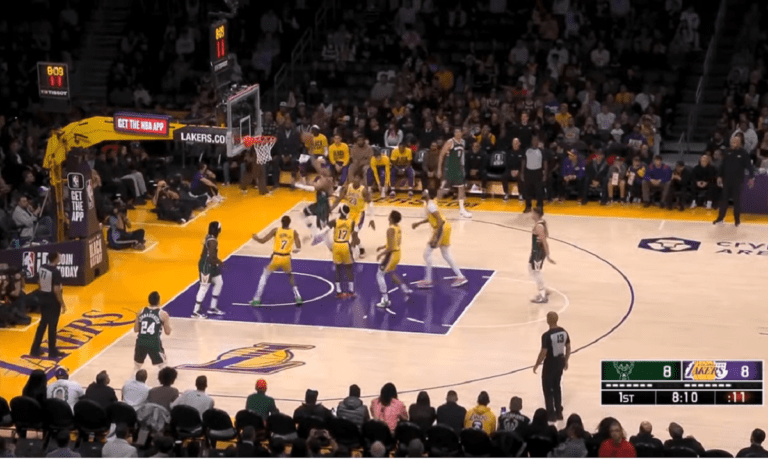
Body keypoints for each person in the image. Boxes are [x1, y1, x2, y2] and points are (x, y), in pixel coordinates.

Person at [412, 189, 468, 288]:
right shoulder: (428, 204)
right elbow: (432, 218)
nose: (422, 193)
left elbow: (440, 221)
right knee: (446, 254)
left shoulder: (431, 206)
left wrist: (436, 237)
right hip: (445, 227)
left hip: (442, 228)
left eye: (424, 192)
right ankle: (460, 277)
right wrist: (419, 223)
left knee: (426, 254)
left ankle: (428, 280)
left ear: (428, 195)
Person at [250, 215, 303, 306]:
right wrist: (296, 250)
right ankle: (298, 297)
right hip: (286, 258)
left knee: (265, 274)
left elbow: (263, 241)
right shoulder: (294, 232)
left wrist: (256, 238)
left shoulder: (276, 230)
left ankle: (257, 299)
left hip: (276, 257)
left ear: (281, 222)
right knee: (290, 275)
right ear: (289, 223)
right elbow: (298, 247)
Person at [533, 312, 570, 422]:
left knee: (548, 388)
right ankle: (559, 412)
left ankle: (551, 414)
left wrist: (537, 364)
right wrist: (566, 360)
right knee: (557, 386)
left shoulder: (546, 335)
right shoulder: (564, 331)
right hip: (560, 361)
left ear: (548, 320)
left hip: (550, 363)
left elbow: (543, 352)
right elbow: (568, 347)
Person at [29, 251, 66, 358]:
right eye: (59, 256)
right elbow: (56, 290)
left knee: (43, 324)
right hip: (52, 301)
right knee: (52, 326)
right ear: (55, 259)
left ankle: (34, 349)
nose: (60, 258)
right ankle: (52, 351)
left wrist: (43, 291)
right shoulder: (55, 272)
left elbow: (39, 281)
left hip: (43, 298)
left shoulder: (42, 267)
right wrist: (62, 304)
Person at [714, 133, 755, 226]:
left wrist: (751, 177)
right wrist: (719, 176)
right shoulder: (727, 151)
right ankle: (720, 218)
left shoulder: (743, 152)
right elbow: (723, 165)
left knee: (737, 201)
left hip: (738, 181)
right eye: (732, 141)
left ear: (740, 142)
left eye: (736, 141)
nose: (734, 142)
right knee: (724, 200)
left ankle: (737, 220)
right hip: (727, 180)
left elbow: (749, 166)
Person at [332, 174, 375, 259]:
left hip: (359, 214)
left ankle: (351, 252)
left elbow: (370, 203)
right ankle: (361, 249)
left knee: (354, 234)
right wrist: (331, 208)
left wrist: (372, 219)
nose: (356, 181)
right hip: (350, 213)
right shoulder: (348, 187)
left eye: (358, 180)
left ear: (360, 181)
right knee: (352, 234)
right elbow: (339, 198)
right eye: (355, 179)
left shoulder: (363, 190)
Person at [375, 210, 412, 308]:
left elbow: (390, 247)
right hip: (398, 253)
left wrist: (381, 254)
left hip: (391, 255)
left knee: (379, 275)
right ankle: (405, 289)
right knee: (392, 273)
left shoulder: (390, 230)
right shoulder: (398, 227)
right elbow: (393, 242)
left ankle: (385, 300)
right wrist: (383, 247)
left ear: (391, 218)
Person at [192, 221, 225, 318]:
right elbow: (211, 257)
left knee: (219, 282)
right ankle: (195, 311)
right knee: (204, 287)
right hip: (206, 266)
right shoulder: (213, 242)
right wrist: (219, 262)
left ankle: (212, 307)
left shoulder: (209, 237)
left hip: (211, 265)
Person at [438, 128, 473, 218]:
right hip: (449, 168)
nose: (457, 133)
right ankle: (432, 205)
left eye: (459, 132)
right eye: (456, 132)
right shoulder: (450, 142)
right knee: (444, 189)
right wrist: (439, 169)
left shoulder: (463, 142)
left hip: (457, 168)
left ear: (462, 133)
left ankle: (462, 209)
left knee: (461, 188)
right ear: (454, 133)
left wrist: (462, 166)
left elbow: (461, 156)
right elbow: (441, 155)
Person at [134, 291, 171, 372]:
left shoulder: (140, 311)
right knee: (163, 365)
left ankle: (133, 379)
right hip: (154, 343)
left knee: (137, 366)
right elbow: (168, 332)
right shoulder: (163, 314)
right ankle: (165, 380)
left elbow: (136, 329)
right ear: (159, 301)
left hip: (141, 342)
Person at [327, 205, 356, 299]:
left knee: (338, 269)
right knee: (349, 268)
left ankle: (339, 292)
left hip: (336, 245)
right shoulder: (352, 222)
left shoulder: (334, 221)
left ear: (340, 211)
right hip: (345, 245)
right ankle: (351, 291)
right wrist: (352, 248)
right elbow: (354, 236)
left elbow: (325, 227)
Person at [528, 208, 555, 304]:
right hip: (536, 251)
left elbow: (544, 241)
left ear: (536, 214)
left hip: (538, 252)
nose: (531, 214)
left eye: (532, 213)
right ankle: (544, 289)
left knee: (536, 272)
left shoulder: (539, 226)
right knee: (531, 269)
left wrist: (548, 255)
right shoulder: (541, 222)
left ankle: (542, 294)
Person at [521, 136, 547, 213]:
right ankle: (528, 206)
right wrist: (522, 172)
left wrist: (545, 174)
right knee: (528, 190)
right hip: (528, 172)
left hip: (538, 172)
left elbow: (545, 162)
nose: (535, 142)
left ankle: (539, 206)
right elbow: (523, 161)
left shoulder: (541, 151)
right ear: (531, 141)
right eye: (534, 140)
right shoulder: (527, 150)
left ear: (538, 141)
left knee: (539, 190)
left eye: (536, 140)